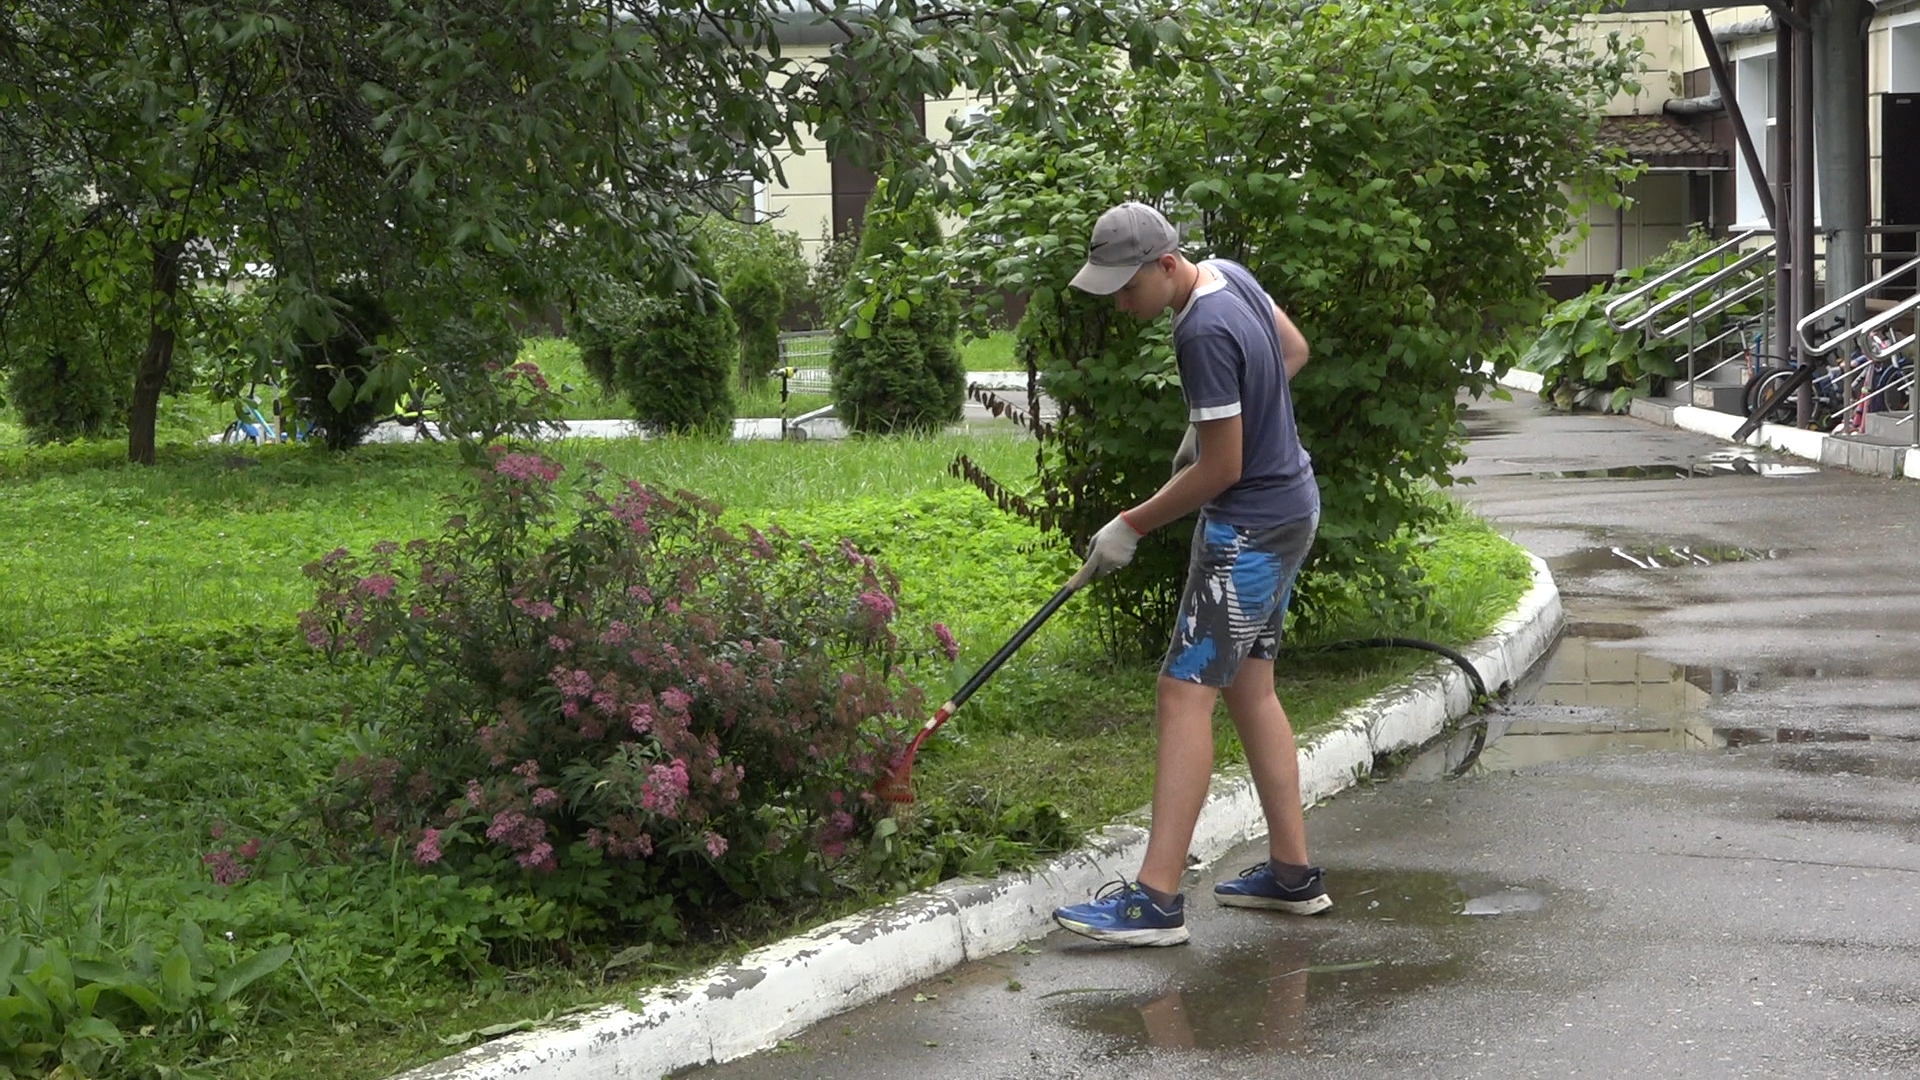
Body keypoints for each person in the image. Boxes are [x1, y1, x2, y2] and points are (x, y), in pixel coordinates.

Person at [1051, 201, 1325, 947]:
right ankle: (1292, 875)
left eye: (1126, 286)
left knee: (1182, 692)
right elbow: (1292, 350)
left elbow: (1224, 468)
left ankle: (1157, 899)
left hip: (1248, 532)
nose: (1119, 301)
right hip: (1292, 506)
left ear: (1165, 265)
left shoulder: (1198, 328)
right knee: (1249, 685)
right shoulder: (1230, 276)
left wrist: (1130, 524)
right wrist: (1213, 425)